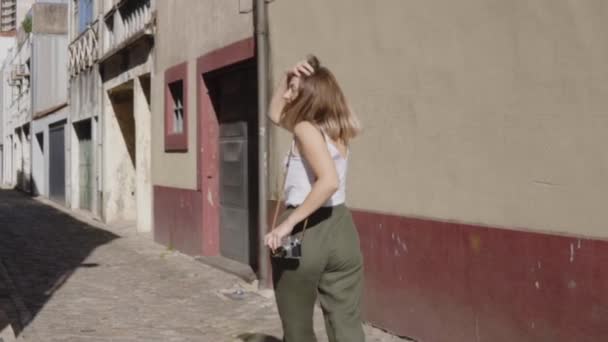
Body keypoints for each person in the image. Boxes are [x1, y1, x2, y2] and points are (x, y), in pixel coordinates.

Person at [264, 55, 365, 342]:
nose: (286, 95)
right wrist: (287, 74)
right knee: (346, 322)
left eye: (293, 90)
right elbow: (274, 113)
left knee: (297, 325)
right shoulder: (340, 129)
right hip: (343, 229)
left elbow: (328, 182)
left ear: (309, 96)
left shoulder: (305, 129)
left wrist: (287, 225)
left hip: (306, 229)